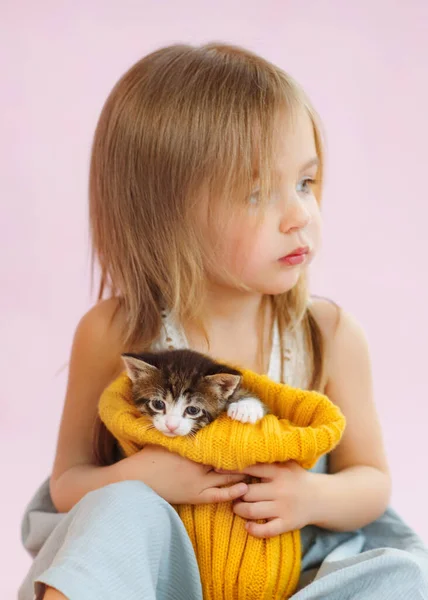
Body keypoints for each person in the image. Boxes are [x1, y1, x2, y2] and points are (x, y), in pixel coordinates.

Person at [19, 42, 428, 600]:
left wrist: (309, 496)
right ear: (167, 214)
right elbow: (68, 485)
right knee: (118, 510)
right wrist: (139, 479)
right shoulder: (117, 331)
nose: (299, 215)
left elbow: (371, 484)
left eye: (305, 183)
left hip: (292, 578)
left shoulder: (328, 335)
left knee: (401, 576)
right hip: (166, 581)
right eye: (258, 194)